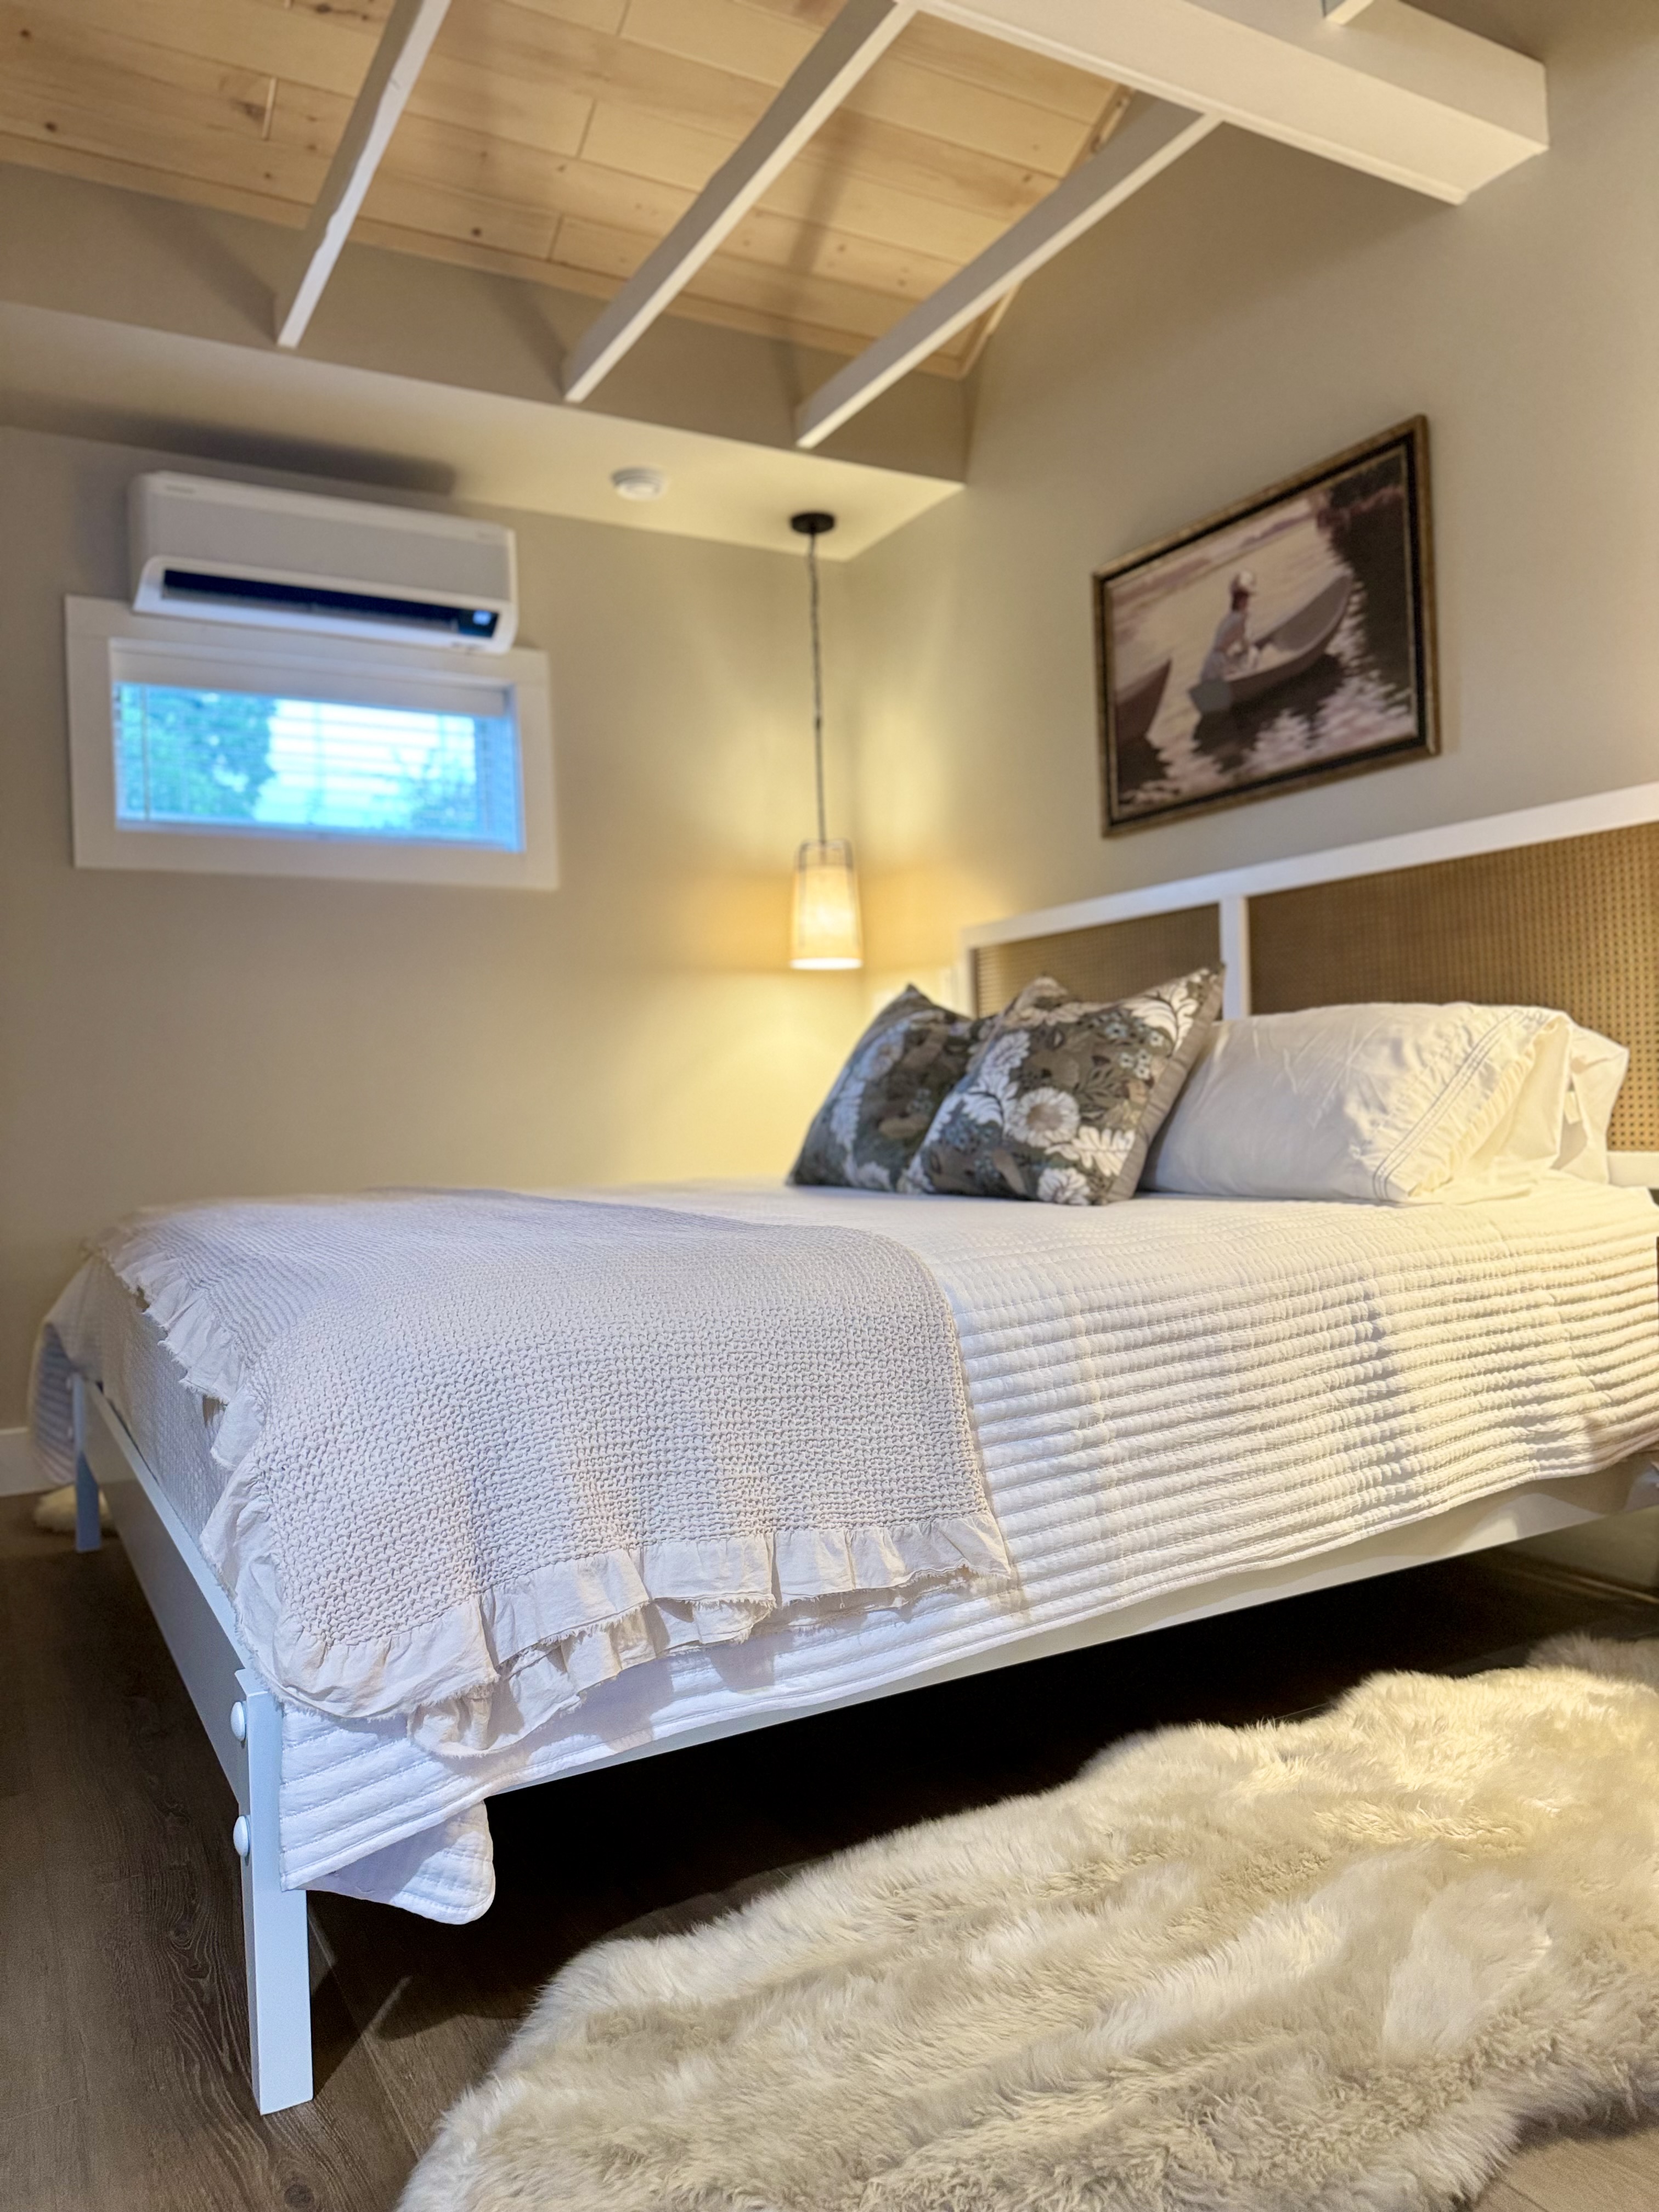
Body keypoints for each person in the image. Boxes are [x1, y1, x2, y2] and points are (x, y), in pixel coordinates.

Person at [1199, 569, 1258, 686]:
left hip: (1213, 660)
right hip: (1220, 662)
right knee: (1253, 653)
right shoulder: (1240, 618)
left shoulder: (1229, 617)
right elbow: (1245, 643)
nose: (1247, 602)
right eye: (1245, 599)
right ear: (1240, 601)